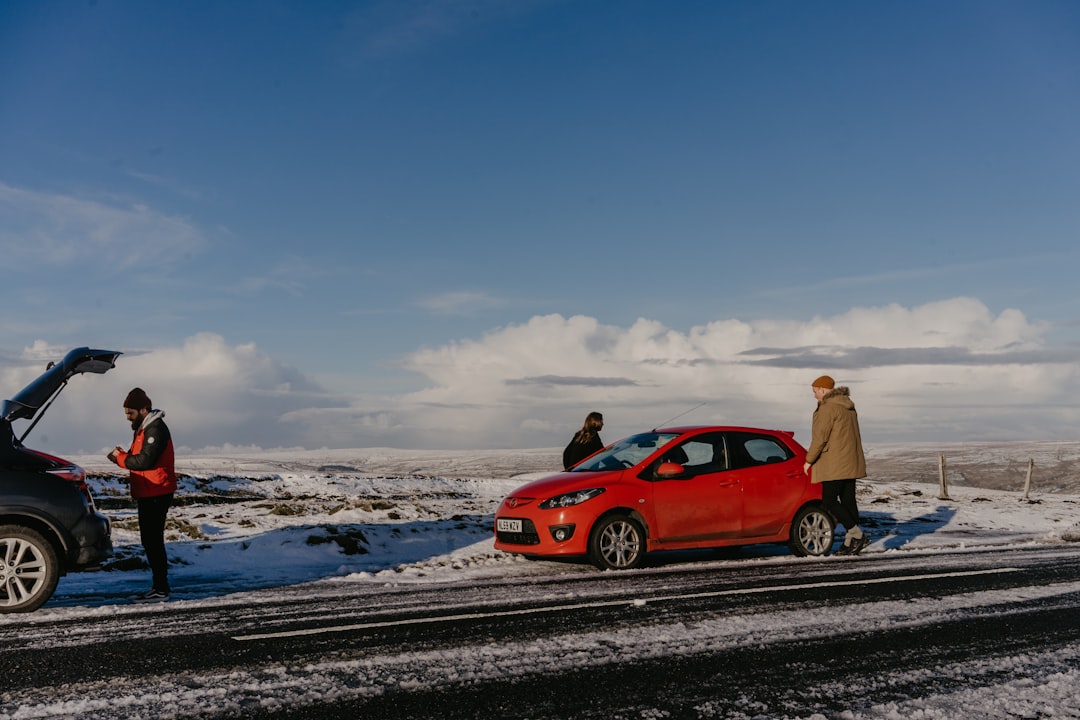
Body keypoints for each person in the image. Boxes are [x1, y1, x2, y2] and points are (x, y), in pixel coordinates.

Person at [107, 387, 177, 601]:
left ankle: (161, 588)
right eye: (126, 413)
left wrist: (119, 459)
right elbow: (140, 458)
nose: (128, 417)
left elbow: (146, 461)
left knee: (153, 541)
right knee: (150, 540)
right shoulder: (144, 428)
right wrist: (124, 455)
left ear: (144, 409)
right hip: (150, 492)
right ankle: (159, 586)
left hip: (156, 492)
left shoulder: (155, 429)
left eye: (131, 413)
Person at [803, 375, 869, 556]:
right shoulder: (848, 407)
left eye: (815, 391)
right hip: (850, 461)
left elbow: (820, 438)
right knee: (848, 500)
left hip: (835, 463)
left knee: (829, 501)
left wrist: (809, 461)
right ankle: (852, 541)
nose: (814, 395)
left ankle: (856, 534)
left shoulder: (828, 409)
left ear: (823, 390)